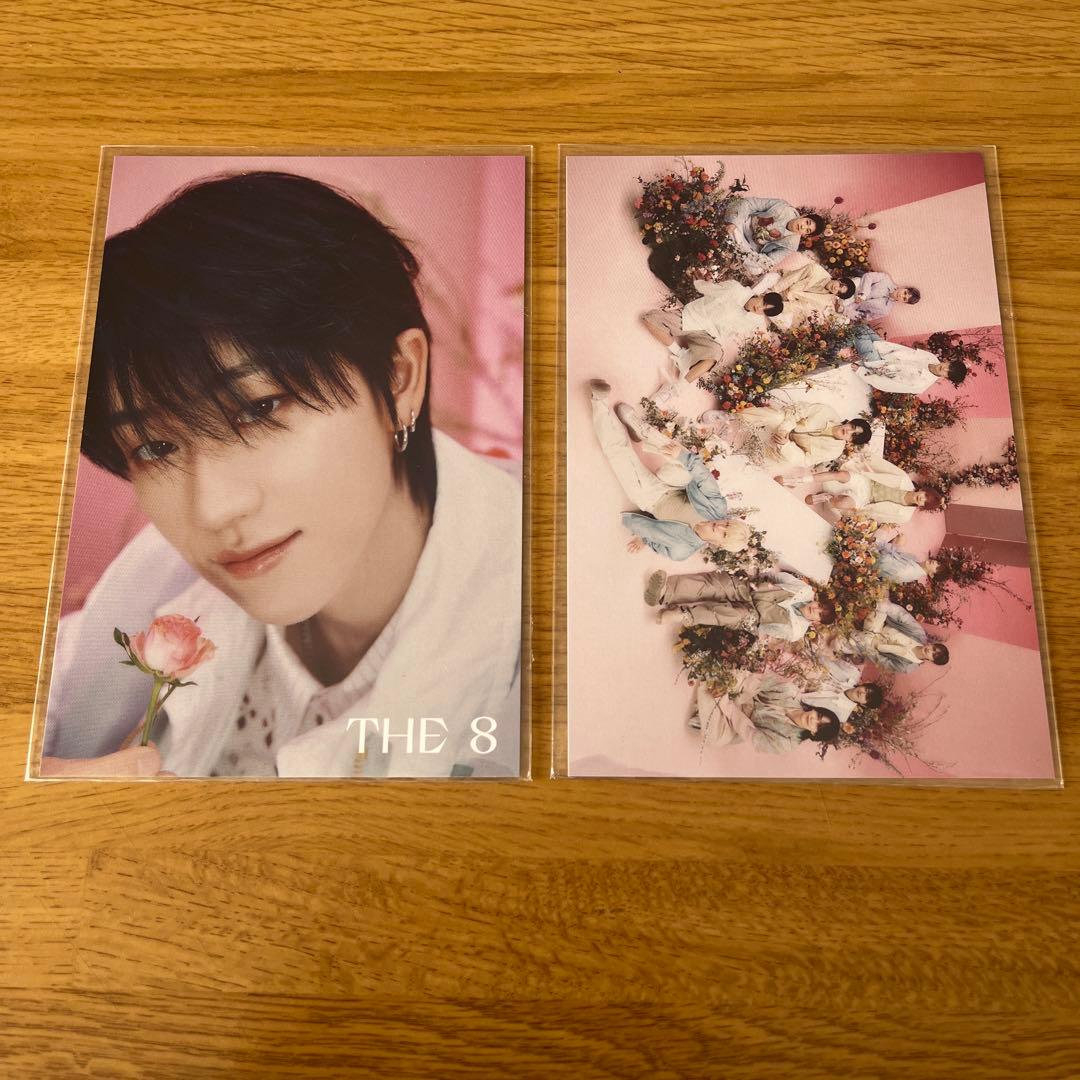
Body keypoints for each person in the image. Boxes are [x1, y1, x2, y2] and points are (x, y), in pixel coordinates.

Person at [40, 171, 523, 780]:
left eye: (260, 409)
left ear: (399, 378)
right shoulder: (153, 589)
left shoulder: (576, 636)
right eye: (156, 447)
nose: (213, 509)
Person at [588, 380, 751, 561]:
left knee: (617, 454)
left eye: (724, 534)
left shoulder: (682, 550)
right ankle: (641, 429)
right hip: (677, 484)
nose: (719, 526)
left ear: (719, 545)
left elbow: (659, 545)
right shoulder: (718, 507)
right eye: (727, 523)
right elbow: (703, 476)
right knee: (685, 460)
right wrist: (680, 455)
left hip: (651, 499)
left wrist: (644, 540)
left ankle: (599, 401)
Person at [642, 276, 785, 391]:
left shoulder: (755, 321)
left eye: (764, 311)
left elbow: (729, 333)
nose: (759, 308)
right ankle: (681, 354)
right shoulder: (735, 288)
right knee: (650, 320)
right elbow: (705, 288)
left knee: (713, 357)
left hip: (710, 335)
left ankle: (675, 390)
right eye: (763, 303)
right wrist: (700, 280)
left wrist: (715, 342)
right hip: (693, 317)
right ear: (762, 295)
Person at [648, 568, 837, 641]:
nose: (815, 609)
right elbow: (777, 576)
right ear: (817, 600)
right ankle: (665, 592)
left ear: (816, 622)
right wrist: (758, 582)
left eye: (819, 614)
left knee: (732, 615)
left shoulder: (795, 632)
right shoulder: (804, 590)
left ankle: (683, 615)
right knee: (720, 586)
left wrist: (751, 615)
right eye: (819, 606)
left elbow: (764, 627)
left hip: (754, 615)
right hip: (754, 589)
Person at [688, 672, 841, 754]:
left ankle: (713, 701)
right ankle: (714, 697)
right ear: (816, 709)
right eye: (818, 716)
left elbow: (749, 732)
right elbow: (756, 681)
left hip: (742, 720)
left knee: (716, 739)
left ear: (814, 733)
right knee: (734, 680)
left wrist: (726, 704)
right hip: (746, 693)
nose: (813, 720)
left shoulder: (787, 743)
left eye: (818, 726)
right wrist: (731, 687)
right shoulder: (791, 691)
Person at [710, 402, 871, 469]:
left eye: (853, 435)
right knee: (775, 417)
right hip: (783, 425)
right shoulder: (826, 411)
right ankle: (730, 416)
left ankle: (736, 448)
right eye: (852, 427)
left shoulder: (834, 450)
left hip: (785, 446)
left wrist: (786, 445)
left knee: (787, 461)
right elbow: (795, 412)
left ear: (850, 441)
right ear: (850, 422)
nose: (848, 431)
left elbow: (805, 460)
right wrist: (785, 429)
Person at [803, 457, 943, 524]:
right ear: (923, 490)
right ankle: (804, 480)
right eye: (925, 495)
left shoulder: (904, 515)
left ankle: (826, 497)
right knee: (840, 475)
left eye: (925, 502)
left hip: (866, 500)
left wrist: (863, 516)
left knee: (841, 504)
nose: (922, 498)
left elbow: (881, 518)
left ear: (921, 506)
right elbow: (882, 466)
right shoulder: (904, 479)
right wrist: (863, 460)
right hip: (867, 483)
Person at [848, 324, 967, 393]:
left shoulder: (921, 385)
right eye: (949, 366)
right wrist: (881, 344)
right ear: (948, 361)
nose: (944, 369)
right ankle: (851, 345)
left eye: (948, 373)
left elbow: (887, 385)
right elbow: (902, 350)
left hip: (877, 365)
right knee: (861, 327)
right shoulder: (931, 358)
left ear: (946, 377)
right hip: (884, 350)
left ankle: (847, 346)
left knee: (859, 332)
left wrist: (862, 372)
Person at [840, 600, 949, 674]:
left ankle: (851, 636)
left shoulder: (907, 667)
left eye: (933, 654)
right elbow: (902, 616)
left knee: (848, 641)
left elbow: (881, 661)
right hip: (880, 624)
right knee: (878, 607)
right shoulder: (919, 634)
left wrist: (865, 647)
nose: (930, 650)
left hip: (872, 644)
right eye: (934, 648)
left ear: (931, 660)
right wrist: (884, 607)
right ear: (932, 644)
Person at [724, 197, 826, 264]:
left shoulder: (792, 245)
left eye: (807, 230)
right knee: (734, 215)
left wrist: (751, 256)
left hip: (750, 247)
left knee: (757, 269)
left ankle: (735, 246)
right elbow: (750, 203)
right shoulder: (783, 207)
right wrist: (734, 223)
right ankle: (732, 240)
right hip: (744, 224)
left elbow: (771, 260)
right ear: (804, 216)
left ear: (805, 235)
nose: (803, 227)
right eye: (807, 222)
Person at [771, 261, 855, 328]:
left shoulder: (825, 300)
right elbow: (790, 279)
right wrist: (773, 291)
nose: (836, 288)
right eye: (840, 285)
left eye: (838, 292)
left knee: (785, 320)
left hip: (787, 299)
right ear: (839, 279)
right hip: (781, 283)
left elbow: (801, 305)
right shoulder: (814, 270)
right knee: (769, 279)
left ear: (836, 295)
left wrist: (779, 306)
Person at [841, 272, 920, 322]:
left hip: (849, 308)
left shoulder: (885, 311)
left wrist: (846, 311)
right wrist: (864, 294)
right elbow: (868, 276)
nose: (901, 295)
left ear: (903, 302)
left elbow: (866, 317)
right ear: (904, 288)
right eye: (905, 292)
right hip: (851, 289)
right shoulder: (886, 279)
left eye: (904, 298)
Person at [873, 539, 942, 584]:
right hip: (878, 553)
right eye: (938, 563)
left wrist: (893, 545)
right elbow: (898, 554)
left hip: (872, 562)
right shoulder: (915, 559)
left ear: (931, 575)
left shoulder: (908, 571)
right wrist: (898, 543)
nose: (934, 563)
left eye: (936, 568)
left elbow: (881, 563)